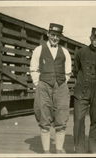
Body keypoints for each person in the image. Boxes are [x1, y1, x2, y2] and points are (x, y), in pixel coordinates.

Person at [30, 23, 72, 154]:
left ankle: (59, 149)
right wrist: (38, 84)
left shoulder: (65, 52)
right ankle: (46, 151)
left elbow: (68, 71)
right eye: (52, 35)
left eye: (57, 36)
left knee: (61, 117)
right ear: (48, 34)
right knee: (44, 117)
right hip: (44, 87)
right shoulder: (39, 50)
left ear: (60, 37)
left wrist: (62, 82)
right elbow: (33, 69)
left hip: (60, 87)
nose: (54, 38)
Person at [73, 27, 96, 153]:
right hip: (82, 90)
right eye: (95, 38)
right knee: (78, 119)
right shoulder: (81, 52)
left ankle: (93, 149)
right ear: (90, 37)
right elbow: (75, 70)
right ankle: (79, 149)